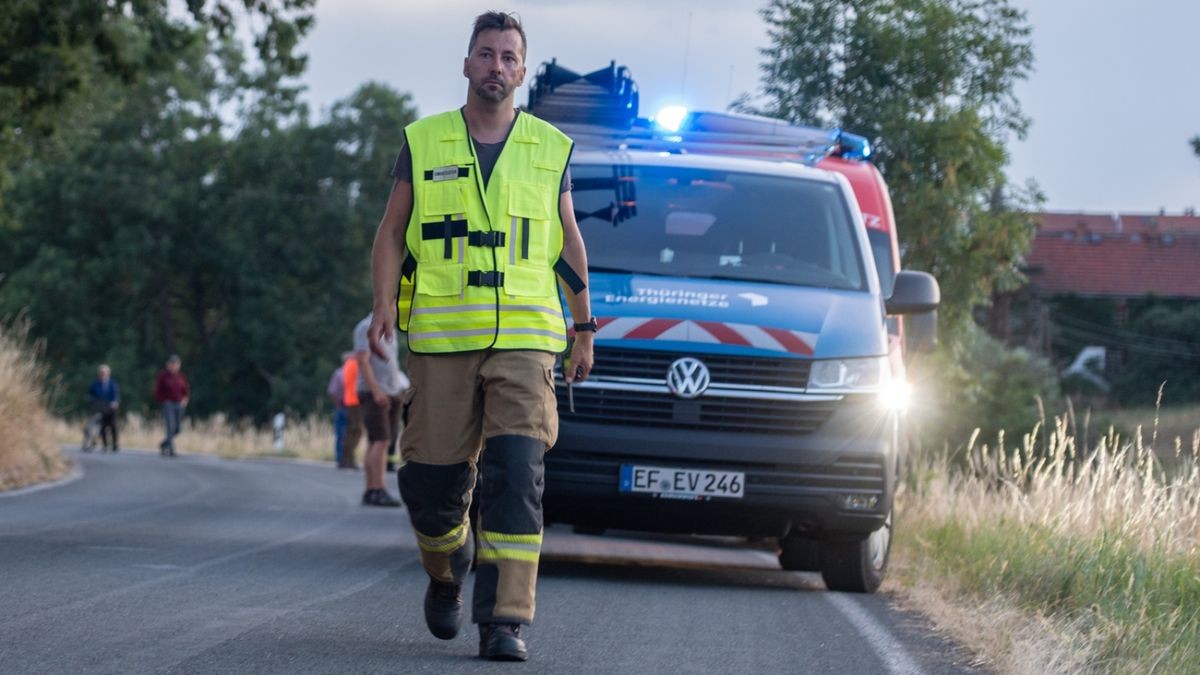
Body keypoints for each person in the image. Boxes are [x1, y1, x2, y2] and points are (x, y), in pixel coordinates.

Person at [367, 11, 594, 661]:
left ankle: (504, 619)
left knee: (517, 472)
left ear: (522, 71)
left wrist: (583, 324)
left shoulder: (551, 149)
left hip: (526, 339)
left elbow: (567, 239)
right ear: (466, 65)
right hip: (441, 340)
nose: (496, 66)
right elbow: (390, 230)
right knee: (431, 490)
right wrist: (383, 301)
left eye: (508, 57)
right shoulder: (424, 139)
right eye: (485, 54)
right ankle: (447, 566)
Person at [353, 313, 407, 507]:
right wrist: (376, 390)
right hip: (375, 392)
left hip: (391, 391)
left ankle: (372, 489)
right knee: (380, 440)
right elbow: (363, 360)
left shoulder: (389, 327)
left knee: (380, 441)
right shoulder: (366, 326)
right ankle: (377, 489)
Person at [154, 354, 189, 457]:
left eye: (176, 364)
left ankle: (164, 444)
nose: (174, 366)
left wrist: (185, 400)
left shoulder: (181, 376)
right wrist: (163, 401)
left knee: (178, 429)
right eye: (172, 363)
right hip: (168, 404)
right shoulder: (163, 376)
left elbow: (186, 391)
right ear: (168, 365)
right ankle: (171, 449)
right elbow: (158, 391)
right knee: (171, 427)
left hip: (179, 404)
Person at [87, 364, 121, 452]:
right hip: (100, 408)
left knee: (113, 426)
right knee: (102, 427)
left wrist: (115, 403)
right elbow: (90, 395)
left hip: (110, 409)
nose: (103, 375)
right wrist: (93, 402)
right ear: (99, 374)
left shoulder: (113, 383)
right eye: (101, 373)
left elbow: (116, 395)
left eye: (104, 373)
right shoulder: (94, 384)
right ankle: (105, 445)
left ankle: (114, 444)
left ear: (108, 374)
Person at [327, 354, 352, 466]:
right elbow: (333, 392)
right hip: (345, 406)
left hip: (347, 406)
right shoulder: (340, 373)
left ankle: (343, 458)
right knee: (343, 433)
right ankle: (341, 458)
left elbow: (332, 391)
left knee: (344, 434)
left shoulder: (339, 373)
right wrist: (338, 404)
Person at [341, 352, 363, 469]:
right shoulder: (355, 364)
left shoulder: (347, 365)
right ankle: (349, 459)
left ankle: (345, 459)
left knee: (350, 431)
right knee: (356, 431)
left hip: (349, 400)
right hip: (356, 400)